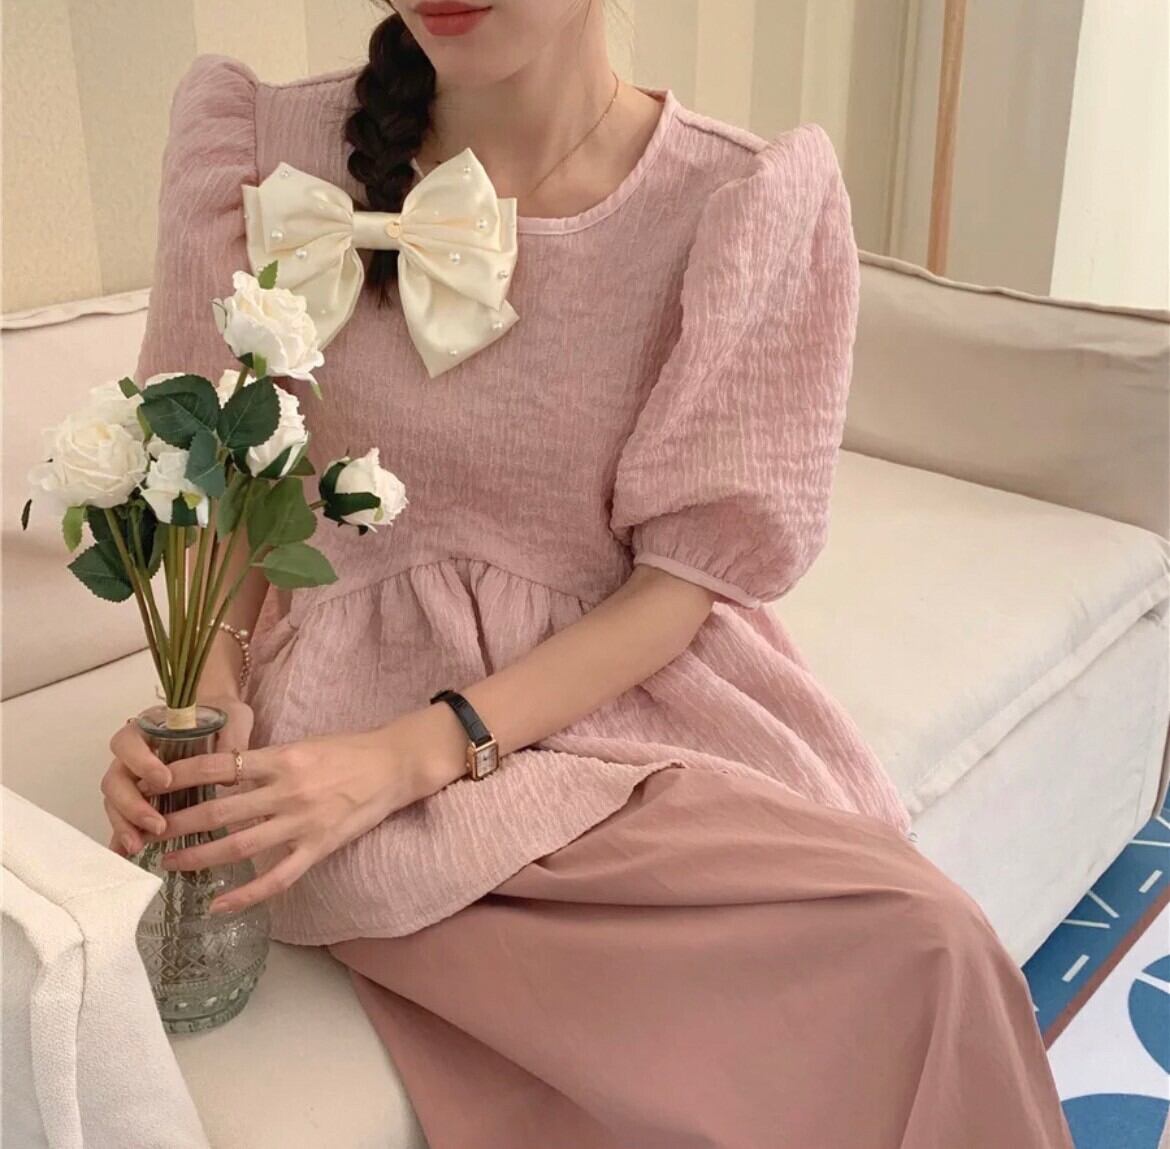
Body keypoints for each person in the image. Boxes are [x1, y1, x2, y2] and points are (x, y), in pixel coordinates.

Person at [101, 1, 1076, 1145]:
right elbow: (225, 473)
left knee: (928, 946)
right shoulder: (259, 151)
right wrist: (203, 690)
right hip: (346, 737)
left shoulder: (740, 200)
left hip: (612, 707)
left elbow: (682, 581)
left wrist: (416, 755)